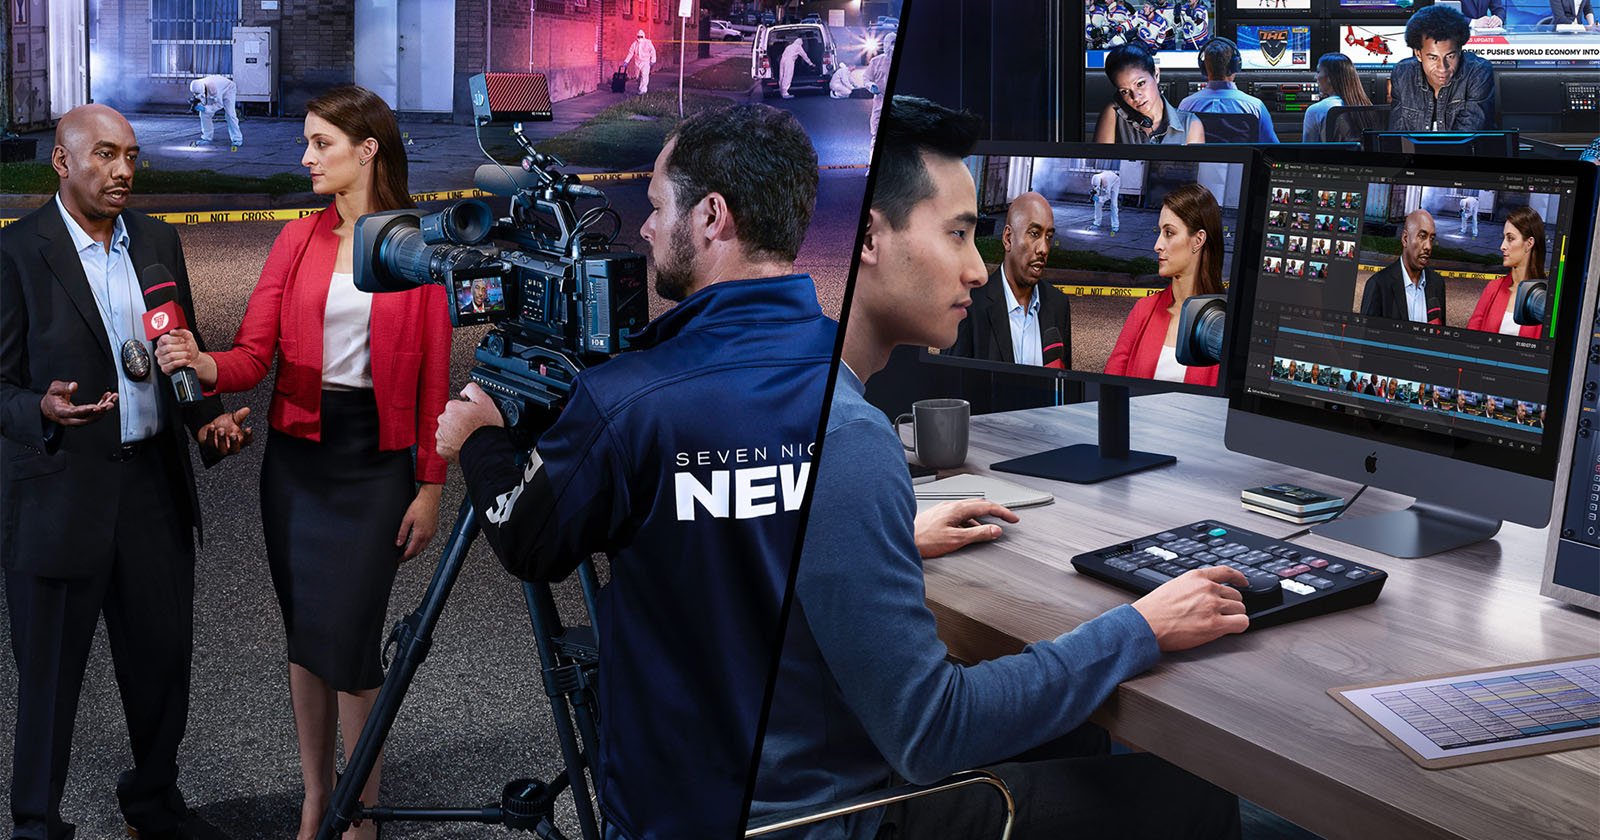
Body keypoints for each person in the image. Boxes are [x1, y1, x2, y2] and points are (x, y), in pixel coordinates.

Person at [749, 95, 1245, 840]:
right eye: (958, 235)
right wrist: (1137, 626)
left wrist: (885, 535)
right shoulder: (850, 436)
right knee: (1193, 796)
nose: (978, 270)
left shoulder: (785, 391)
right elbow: (930, 732)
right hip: (843, 816)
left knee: (1072, 735)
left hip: (776, 776)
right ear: (870, 236)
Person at [432, 104, 837, 839]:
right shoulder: (848, 368)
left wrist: (480, 437)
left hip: (670, 799)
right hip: (820, 792)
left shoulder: (630, 400)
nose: (644, 228)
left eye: (655, 205)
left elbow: (531, 544)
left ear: (712, 216)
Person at [153, 86, 449, 840]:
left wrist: (430, 487)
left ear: (367, 150)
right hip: (298, 463)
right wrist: (202, 364)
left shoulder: (420, 247)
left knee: (350, 637)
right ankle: (318, 797)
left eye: (321, 143)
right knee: (309, 639)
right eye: (308, 143)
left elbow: (433, 381)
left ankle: (361, 810)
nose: (306, 155)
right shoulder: (298, 240)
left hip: (377, 463)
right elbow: (254, 355)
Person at [1, 103, 250, 840]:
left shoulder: (156, 242)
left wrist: (208, 418)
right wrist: (37, 409)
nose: (122, 172)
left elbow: (180, 356)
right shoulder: (18, 253)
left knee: (161, 665)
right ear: (62, 161)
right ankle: (36, 823)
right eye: (105, 155)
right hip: (59, 492)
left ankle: (152, 803)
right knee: (48, 678)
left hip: (152, 491)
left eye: (131, 157)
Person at [1105, 183, 1226, 385]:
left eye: (1169, 233)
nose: (1157, 246)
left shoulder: (1227, 324)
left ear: (1198, 240)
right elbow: (1110, 388)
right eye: (1160, 232)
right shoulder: (1143, 310)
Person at [948, 191, 1073, 367]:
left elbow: (1063, 383)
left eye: (1049, 237)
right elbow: (952, 385)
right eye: (1034, 234)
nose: (1043, 249)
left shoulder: (1058, 304)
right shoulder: (970, 306)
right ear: (1008, 238)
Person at [1388, 6, 1497, 132]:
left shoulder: (1479, 72)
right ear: (1418, 54)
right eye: (1433, 58)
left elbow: (1466, 137)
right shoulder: (1402, 74)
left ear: (1460, 51)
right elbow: (1397, 135)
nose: (1442, 68)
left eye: (1450, 56)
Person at [1093, 42, 1205, 144]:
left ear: (1156, 75)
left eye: (1140, 84)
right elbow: (1100, 164)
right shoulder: (1114, 115)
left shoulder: (1190, 125)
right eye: (1125, 91)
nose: (1136, 97)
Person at [1179, 37, 1280, 144]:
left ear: (1203, 67)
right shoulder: (1255, 107)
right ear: (1236, 66)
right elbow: (1272, 149)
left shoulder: (1186, 106)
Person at [1468, 206, 1546, 338]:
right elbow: (1471, 336)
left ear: (1529, 243)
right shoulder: (1493, 288)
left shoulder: (1548, 298)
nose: (1502, 246)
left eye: (1510, 238)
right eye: (1504, 238)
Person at [1359, 209, 1445, 325]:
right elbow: (1366, 338)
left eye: (1431, 239)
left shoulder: (1437, 283)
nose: (1428, 246)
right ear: (1405, 239)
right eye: (1422, 236)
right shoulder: (1378, 285)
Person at [1301, 54, 1372, 143]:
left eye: (1318, 72)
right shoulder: (1367, 107)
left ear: (1330, 78)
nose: (1315, 77)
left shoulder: (1316, 110)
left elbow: (1308, 151)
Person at [189, 74, 243, 147]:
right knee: (204, 114)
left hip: (228, 89)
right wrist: (202, 107)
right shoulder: (198, 85)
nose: (196, 95)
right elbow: (203, 97)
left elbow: (219, 105)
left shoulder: (212, 89)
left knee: (230, 114)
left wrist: (205, 108)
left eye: (197, 94)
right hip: (214, 91)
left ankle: (237, 139)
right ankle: (207, 137)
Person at [867, 31, 896, 148]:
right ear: (885, 44)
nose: (893, 46)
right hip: (880, 103)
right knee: (876, 135)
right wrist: (870, 86)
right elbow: (866, 78)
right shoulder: (876, 61)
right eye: (891, 43)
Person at [623, 29, 657, 95]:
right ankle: (639, 88)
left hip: (646, 62)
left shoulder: (648, 43)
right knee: (637, 77)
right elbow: (631, 53)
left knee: (645, 76)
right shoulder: (635, 44)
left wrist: (653, 60)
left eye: (641, 37)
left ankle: (643, 90)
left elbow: (653, 51)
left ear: (644, 36)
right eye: (638, 37)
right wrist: (626, 61)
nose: (640, 38)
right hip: (637, 62)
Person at [1091, 169, 1122, 233]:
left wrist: (1099, 199)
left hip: (1115, 182)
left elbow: (1108, 196)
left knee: (1113, 204)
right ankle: (1097, 223)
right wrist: (1096, 196)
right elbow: (1096, 188)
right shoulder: (1096, 178)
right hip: (1104, 182)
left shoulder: (1106, 182)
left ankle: (1115, 225)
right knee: (1097, 204)